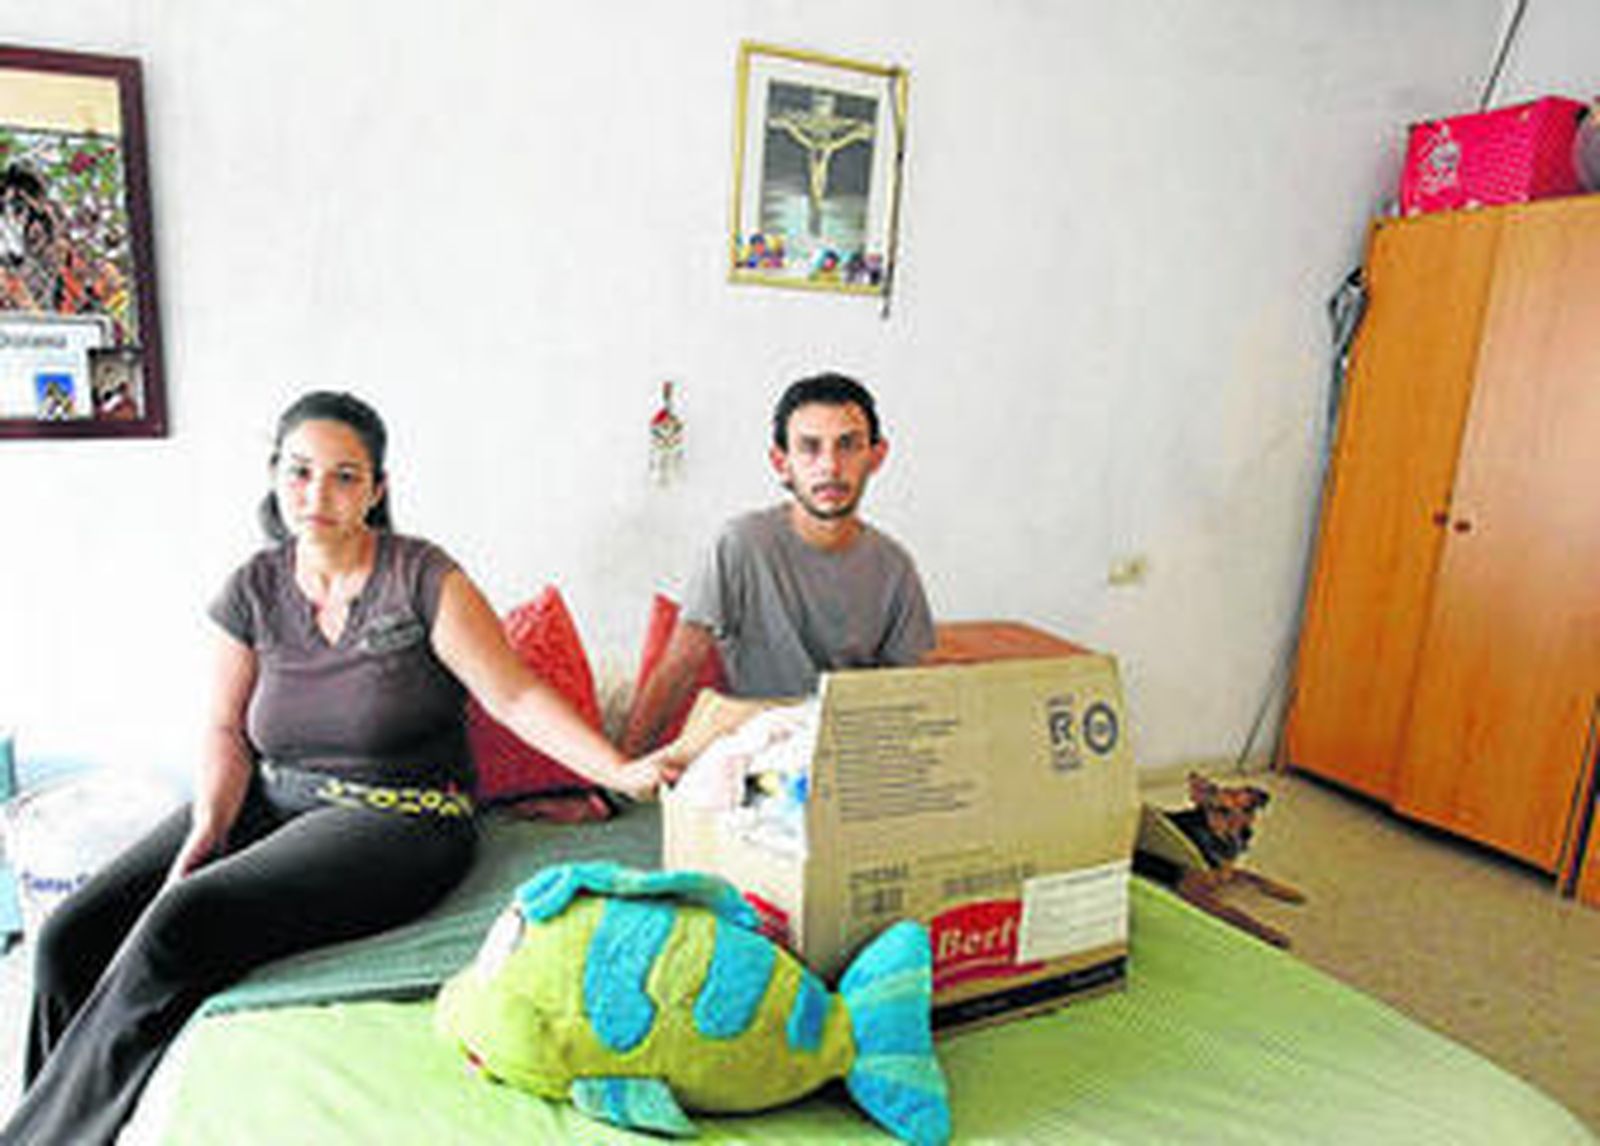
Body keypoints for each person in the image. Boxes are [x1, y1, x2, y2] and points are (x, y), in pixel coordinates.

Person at [2, 391, 680, 1146]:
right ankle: (47, 1118)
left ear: (377, 490)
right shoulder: (253, 588)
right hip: (271, 796)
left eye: (344, 477)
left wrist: (620, 771)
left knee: (178, 926)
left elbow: (514, 694)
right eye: (300, 473)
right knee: (67, 939)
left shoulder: (423, 578)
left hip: (399, 818)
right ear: (275, 477)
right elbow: (226, 726)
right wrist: (210, 823)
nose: (317, 495)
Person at [622, 372, 934, 755]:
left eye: (848, 445)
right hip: (758, 753)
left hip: (854, 756)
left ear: (876, 456)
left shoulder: (894, 566)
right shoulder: (740, 544)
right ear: (781, 462)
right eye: (809, 448)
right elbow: (680, 667)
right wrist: (620, 782)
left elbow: (908, 692)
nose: (830, 466)